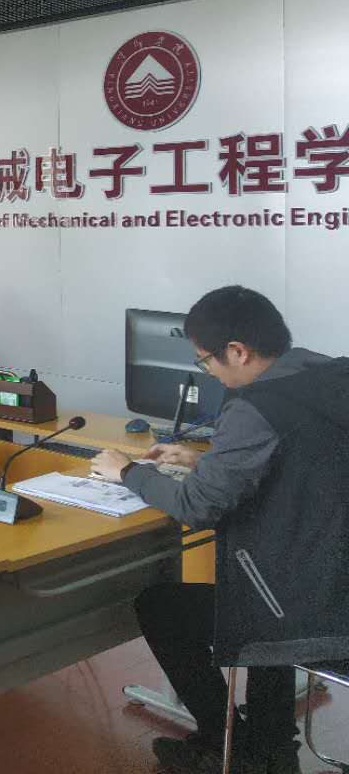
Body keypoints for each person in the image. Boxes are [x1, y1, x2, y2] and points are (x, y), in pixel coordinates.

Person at [90, 287, 349, 774]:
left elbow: (196, 506)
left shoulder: (255, 408)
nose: (207, 371)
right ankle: (272, 749)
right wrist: (207, 462)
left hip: (303, 612)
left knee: (163, 606)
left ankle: (229, 743)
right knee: (266, 590)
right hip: (333, 586)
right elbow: (300, 466)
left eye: (205, 360)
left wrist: (127, 471)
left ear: (238, 351)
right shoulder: (329, 375)